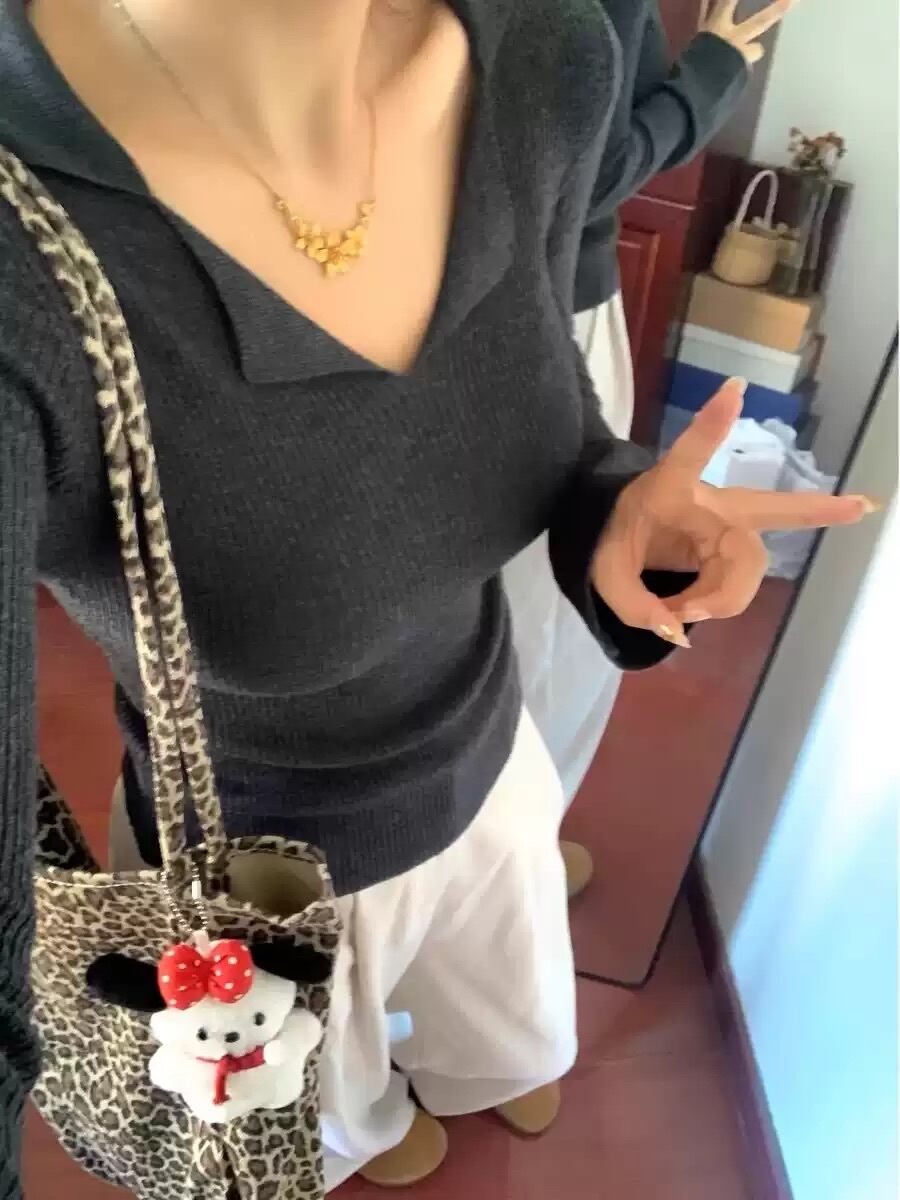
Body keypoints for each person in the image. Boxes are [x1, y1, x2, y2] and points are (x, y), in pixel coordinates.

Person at [0, 0, 872, 1193]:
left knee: (505, 1033)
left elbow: (537, 407)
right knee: (341, 1117)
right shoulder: (25, 264)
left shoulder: (544, 55)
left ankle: (465, 1066)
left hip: (493, 766)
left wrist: (613, 504)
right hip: (274, 867)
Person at [506, 0, 792, 898]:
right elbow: (580, 174)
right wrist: (709, 77)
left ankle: (501, 850)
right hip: (543, 304)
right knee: (548, 606)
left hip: (469, 293)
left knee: (520, 597)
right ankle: (512, 853)